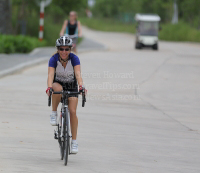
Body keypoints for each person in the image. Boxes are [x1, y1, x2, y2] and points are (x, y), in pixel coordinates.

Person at [46, 35, 86, 154]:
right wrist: (49, 87)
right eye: (61, 49)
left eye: (67, 49)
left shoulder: (74, 59)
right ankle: (54, 112)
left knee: (72, 111)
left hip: (71, 85)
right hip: (58, 83)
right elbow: (50, 75)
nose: (64, 52)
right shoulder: (53, 59)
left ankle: (74, 141)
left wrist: (81, 86)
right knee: (56, 87)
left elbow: (78, 74)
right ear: (58, 49)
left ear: (70, 49)